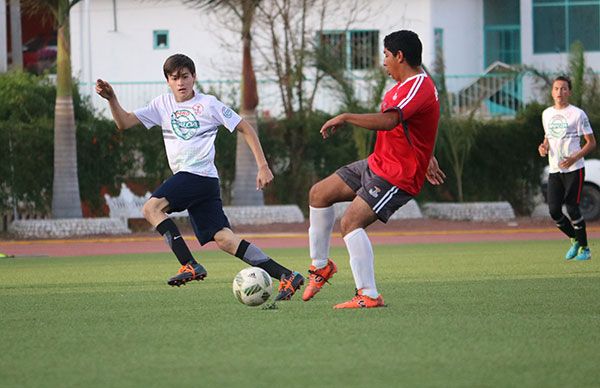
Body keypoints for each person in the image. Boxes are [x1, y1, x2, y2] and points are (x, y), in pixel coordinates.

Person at [96, 54, 304, 299]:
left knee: (151, 208)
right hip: (202, 183)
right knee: (225, 239)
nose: (181, 82)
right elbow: (125, 122)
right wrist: (112, 99)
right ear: (168, 81)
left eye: (185, 77)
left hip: (198, 175)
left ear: (194, 77)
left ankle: (189, 264)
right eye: (175, 78)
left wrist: (263, 165)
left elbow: (245, 127)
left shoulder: (209, 104)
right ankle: (288, 276)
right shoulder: (162, 104)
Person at [302, 30, 445, 309]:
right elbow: (415, 126)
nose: (384, 62)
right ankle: (321, 267)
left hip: (397, 174)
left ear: (400, 56)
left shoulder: (419, 85)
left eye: (386, 55)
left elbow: (390, 121)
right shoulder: (403, 88)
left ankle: (368, 294)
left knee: (350, 223)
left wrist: (345, 116)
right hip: (377, 162)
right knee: (319, 193)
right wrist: (429, 154)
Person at [538, 75, 596, 261]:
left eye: (563, 89)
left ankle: (585, 249)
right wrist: (543, 147)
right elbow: (547, 138)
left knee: (572, 208)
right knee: (554, 211)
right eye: (556, 89)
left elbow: (591, 143)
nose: (559, 92)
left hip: (575, 169)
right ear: (552, 92)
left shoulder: (578, 114)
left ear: (569, 92)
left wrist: (574, 158)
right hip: (555, 169)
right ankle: (575, 239)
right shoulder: (546, 114)